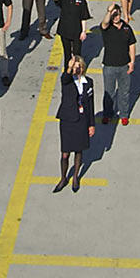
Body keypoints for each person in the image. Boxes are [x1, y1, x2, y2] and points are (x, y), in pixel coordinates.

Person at [54, 55, 96, 192]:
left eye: (79, 66)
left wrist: (91, 124)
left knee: (79, 150)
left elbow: (90, 104)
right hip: (67, 120)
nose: (77, 69)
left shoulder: (88, 82)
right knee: (65, 153)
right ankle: (63, 177)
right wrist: (69, 67)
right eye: (75, 66)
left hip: (82, 120)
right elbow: (64, 78)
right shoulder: (67, 80)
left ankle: (76, 177)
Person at [96, 5, 137, 125]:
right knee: (109, 92)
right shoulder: (107, 28)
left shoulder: (126, 28)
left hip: (124, 65)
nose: (115, 17)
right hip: (109, 66)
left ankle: (124, 115)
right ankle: (108, 114)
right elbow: (104, 23)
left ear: (120, 14)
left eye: (117, 14)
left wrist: (132, 62)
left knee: (124, 92)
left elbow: (132, 44)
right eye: (113, 15)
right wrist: (109, 11)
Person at [50, 0, 91, 68]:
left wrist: (83, 31)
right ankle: (67, 72)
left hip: (77, 31)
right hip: (64, 30)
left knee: (77, 54)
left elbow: (84, 17)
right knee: (67, 53)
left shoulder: (81, 0)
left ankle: (77, 72)